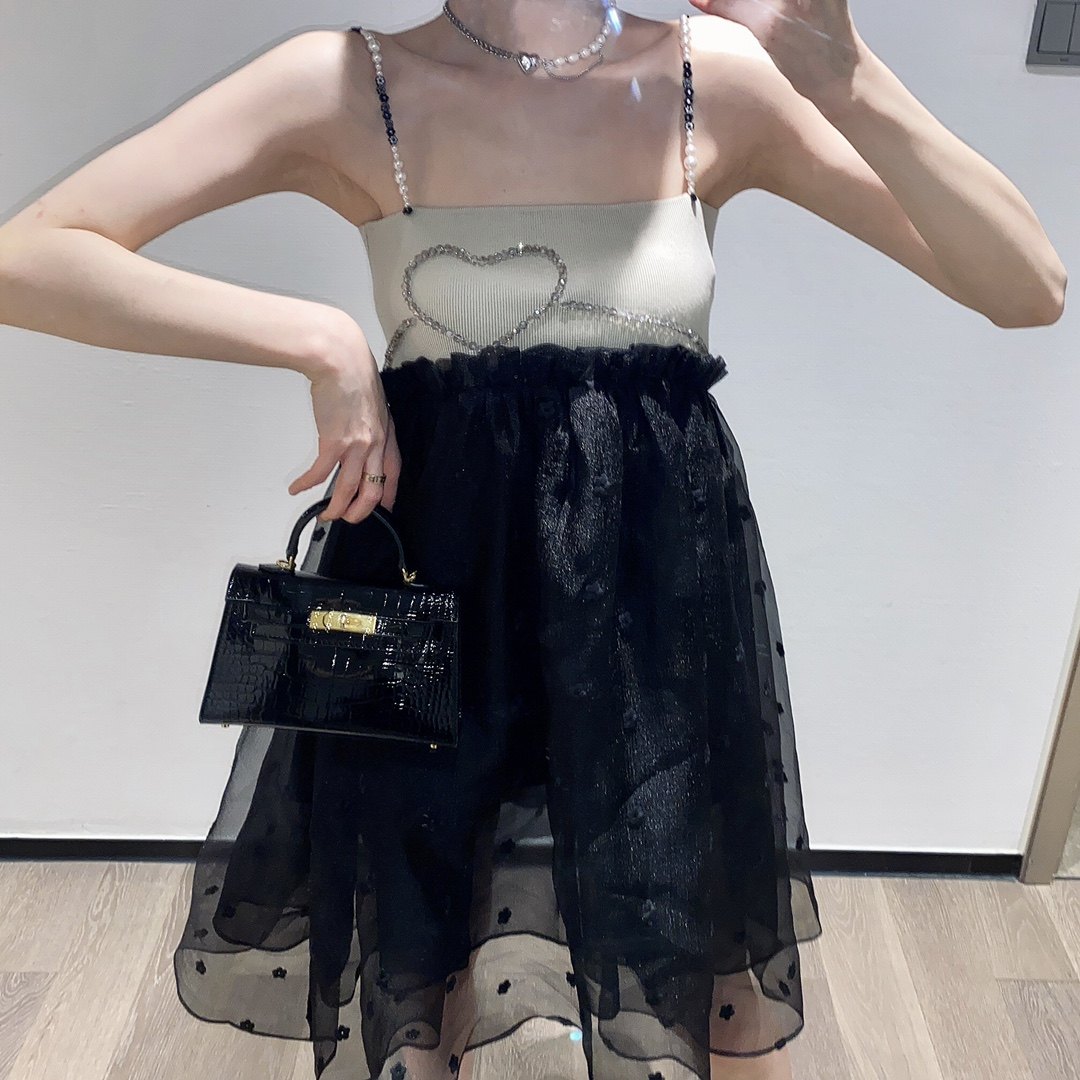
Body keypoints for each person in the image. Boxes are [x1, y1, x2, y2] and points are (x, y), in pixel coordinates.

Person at [0, 3, 1065, 1079]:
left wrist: (849, 79)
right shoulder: (347, 85)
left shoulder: (712, 78)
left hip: (651, 603)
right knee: (418, 985)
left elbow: (1028, 288)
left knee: (704, 990)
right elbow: (27, 255)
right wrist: (316, 339)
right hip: (429, 591)